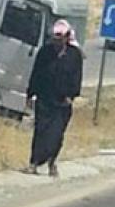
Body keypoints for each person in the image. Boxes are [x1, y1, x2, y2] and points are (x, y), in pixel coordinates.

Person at [22, 19, 83, 177]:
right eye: (54, 38)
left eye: (60, 38)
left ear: (67, 37)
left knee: (56, 135)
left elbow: (77, 77)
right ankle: (34, 163)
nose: (57, 42)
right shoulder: (45, 52)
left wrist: (71, 95)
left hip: (62, 103)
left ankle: (51, 162)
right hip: (44, 99)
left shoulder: (74, 55)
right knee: (40, 131)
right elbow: (36, 73)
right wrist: (30, 94)